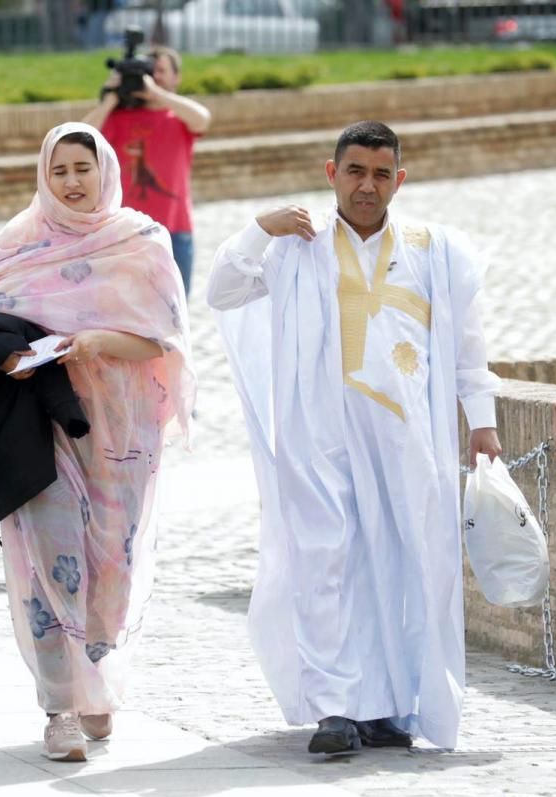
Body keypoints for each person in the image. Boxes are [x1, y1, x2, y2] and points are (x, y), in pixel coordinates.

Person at [206, 121, 502, 754]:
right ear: (331, 173)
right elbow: (222, 292)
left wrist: (482, 420)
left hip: (404, 440)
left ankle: (387, 705)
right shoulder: (296, 246)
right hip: (319, 435)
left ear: (400, 178)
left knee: (402, 564)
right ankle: (335, 708)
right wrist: (259, 228)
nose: (367, 186)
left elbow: (468, 346)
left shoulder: (435, 249)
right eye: (355, 172)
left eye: (380, 173)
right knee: (325, 563)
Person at [0, 121, 194, 761]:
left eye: (82, 168)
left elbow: (165, 337)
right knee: (46, 560)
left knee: (110, 564)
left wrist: (94, 342)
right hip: (36, 427)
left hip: (121, 428)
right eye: (59, 170)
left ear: (105, 171)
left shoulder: (143, 242)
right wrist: (11, 359)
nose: (70, 182)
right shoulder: (17, 242)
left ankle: (97, 678)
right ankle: (60, 706)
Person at [83, 45, 210, 296]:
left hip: (175, 229)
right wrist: (110, 98)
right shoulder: (117, 119)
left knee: (175, 308)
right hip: (124, 232)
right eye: (149, 71)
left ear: (177, 77)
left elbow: (203, 118)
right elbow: (79, 136)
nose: (153, 77)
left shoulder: (178, 118)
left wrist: (157, 93)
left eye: (160, 71)